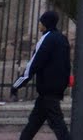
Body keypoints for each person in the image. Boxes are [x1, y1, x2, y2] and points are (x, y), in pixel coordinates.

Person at [10, 10, 71, 140]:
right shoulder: (62, 39)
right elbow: (67, 65)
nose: (39, 24)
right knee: (34, 122)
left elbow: (33, 64)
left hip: (48, 89)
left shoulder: (46, 39)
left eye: (41, 22)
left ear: (45, 23)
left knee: (58, 125)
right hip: (54, 89)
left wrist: (17, 85)